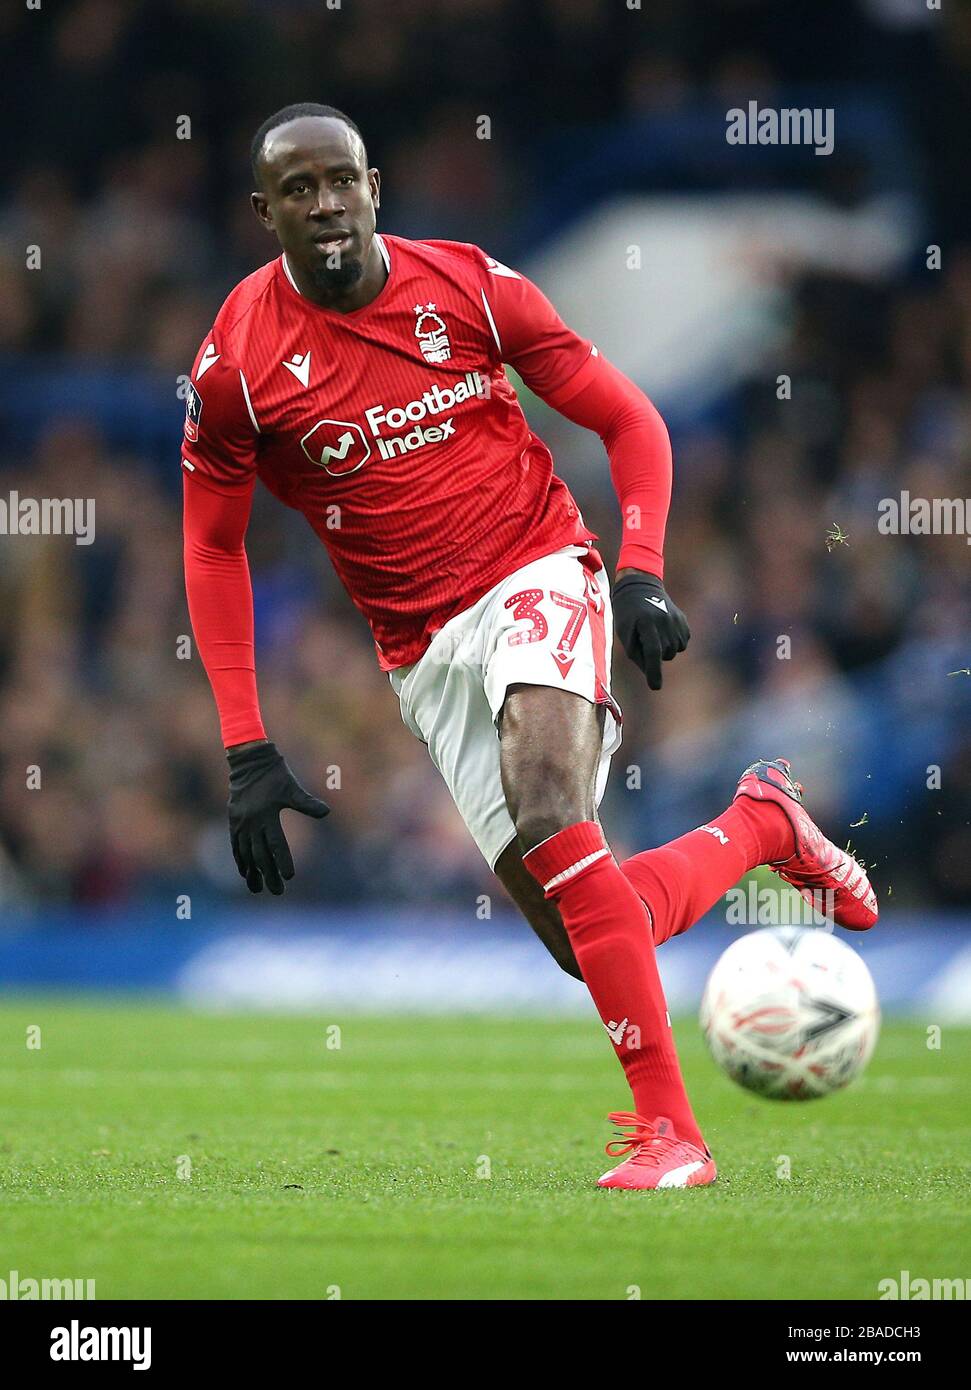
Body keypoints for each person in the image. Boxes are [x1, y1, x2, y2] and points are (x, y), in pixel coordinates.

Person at [182, 103, 878, 1190]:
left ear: (375, 187)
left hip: (534, 567)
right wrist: (244, 745)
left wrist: (640, 565)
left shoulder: (468, 285)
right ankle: (756, 823)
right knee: (581, 930)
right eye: (297, 189)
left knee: (550, 800)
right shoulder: (235, 366)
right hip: (419, 650)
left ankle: (673, 1135)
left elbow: (628, 418)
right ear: (262, 211)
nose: (324, 205)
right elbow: (212, 549)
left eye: (340, 181)